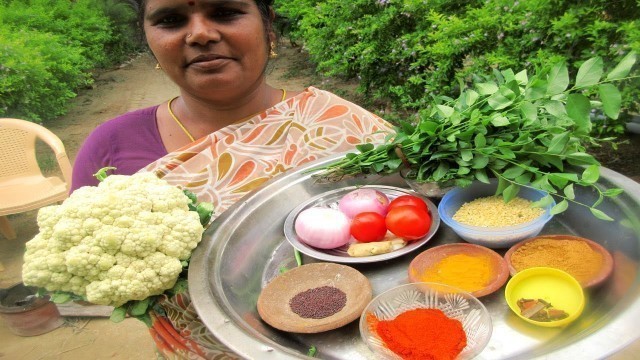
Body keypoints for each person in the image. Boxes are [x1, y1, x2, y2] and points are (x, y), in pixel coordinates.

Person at [71, 0, 393, 358]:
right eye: (171, 20)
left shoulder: (335, 122)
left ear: (267, 25)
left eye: (224, 12)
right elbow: (87, 265)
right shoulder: (112, 146)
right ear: (149, 39)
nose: (201, 34)